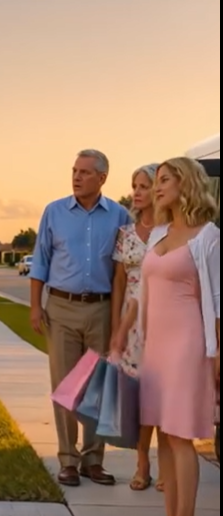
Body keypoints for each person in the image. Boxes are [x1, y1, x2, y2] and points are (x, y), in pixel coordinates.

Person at [29, 149, 131, 487]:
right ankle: (68, 460)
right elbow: (40, 261)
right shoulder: (54, 212)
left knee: (98, 386)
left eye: (85, 172)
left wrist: (120, 320)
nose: (76, 177)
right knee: (64, 387)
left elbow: (123, 272)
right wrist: (34, 306)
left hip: (102, 308)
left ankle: (93, 460)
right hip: (60, 307)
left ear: (102, 178)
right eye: (74, 170)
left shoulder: (119, 216)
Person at [136, 157, 218, 516]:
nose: (157, 187)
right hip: (156, 348)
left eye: (165, 180)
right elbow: (143, 296)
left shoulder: (209, 237)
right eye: (157, 181)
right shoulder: (158, 235)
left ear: (186, 184)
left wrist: (217, 357)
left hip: (188, 344)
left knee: (183, 436)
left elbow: (219, 305)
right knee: (164, 439)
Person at [110, 163, 162, 492]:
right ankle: (142, 461)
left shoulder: (173, 232)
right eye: (134, 185)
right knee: (139, 395)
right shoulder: (125, 233)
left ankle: (167, 462)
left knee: (163, 394)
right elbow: (118, 281)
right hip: (131, 327)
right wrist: (116, 323)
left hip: (165, 321)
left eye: (144, 186)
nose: (137, 192)